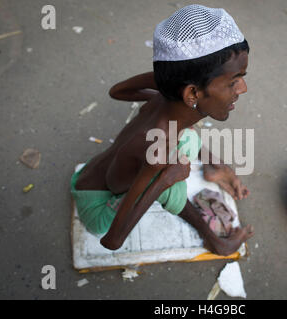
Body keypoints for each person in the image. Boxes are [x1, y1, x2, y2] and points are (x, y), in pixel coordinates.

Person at [71, 4, 254, 256]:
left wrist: (167, 78)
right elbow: (113, 240)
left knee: (185, 138)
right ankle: (216, 241)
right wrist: (167, 179)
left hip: (94, 173)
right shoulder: (158, 152)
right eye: (234, 82)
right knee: (171, 180)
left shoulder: (166, 98)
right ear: (192, 92)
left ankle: (215, 166)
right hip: (98, 208)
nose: (242, 88)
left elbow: (117, 92)